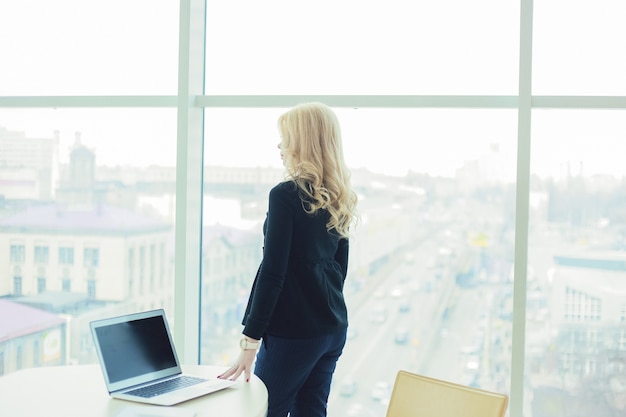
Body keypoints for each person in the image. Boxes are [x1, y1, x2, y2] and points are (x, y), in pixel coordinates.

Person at [218, 102, 358, 417]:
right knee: (311, 412)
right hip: (332, 328)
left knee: (265, 411)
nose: (280, 146)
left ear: (303, 143)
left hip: (294, 334)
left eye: (286, 138)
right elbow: (339, 270)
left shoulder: (285, 196)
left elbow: (273, 271)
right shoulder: (339, 196)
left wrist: (250, 340)